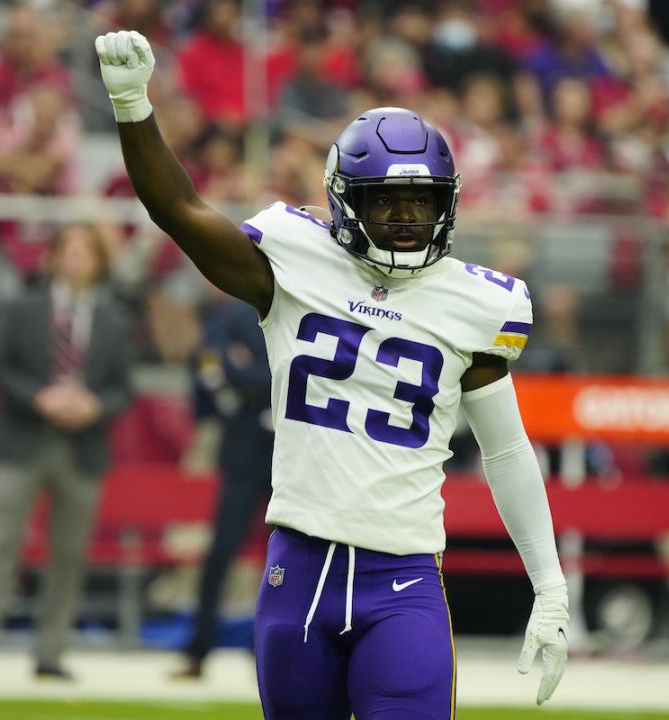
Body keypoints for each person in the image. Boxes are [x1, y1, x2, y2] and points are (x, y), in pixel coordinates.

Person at [95, 30, 570, 715]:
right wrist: (133, 103)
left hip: (403, 578)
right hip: (300, 569)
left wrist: (550, 586)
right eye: (387, 201)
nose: (408, 220)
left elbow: (506, 449)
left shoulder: (477, 304)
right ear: (348, 201)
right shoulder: (293, 260)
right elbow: (179, 210)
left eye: (423, 202)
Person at [0, 224, 134, 681]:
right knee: (0, 546)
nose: (75, 259)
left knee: (69, 555)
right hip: (23, 440)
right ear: (51, 258)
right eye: (67, 250)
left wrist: (94, 406)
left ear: (98, 263)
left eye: (85, 251)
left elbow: (124, 388)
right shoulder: (20, 309)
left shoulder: (113, 321)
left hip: (82, 449)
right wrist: (38, 397)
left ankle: (50, 653)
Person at [175, 290, 275, 679]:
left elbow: (301, 371)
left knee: (290, 555)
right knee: (221, 550)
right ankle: (198, 648)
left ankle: (269, 648)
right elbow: (208, 362)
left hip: (294, 448)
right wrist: (260, 381)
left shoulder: (304, 302)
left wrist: (248, 378)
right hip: (245, 447)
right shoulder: (234, 313)